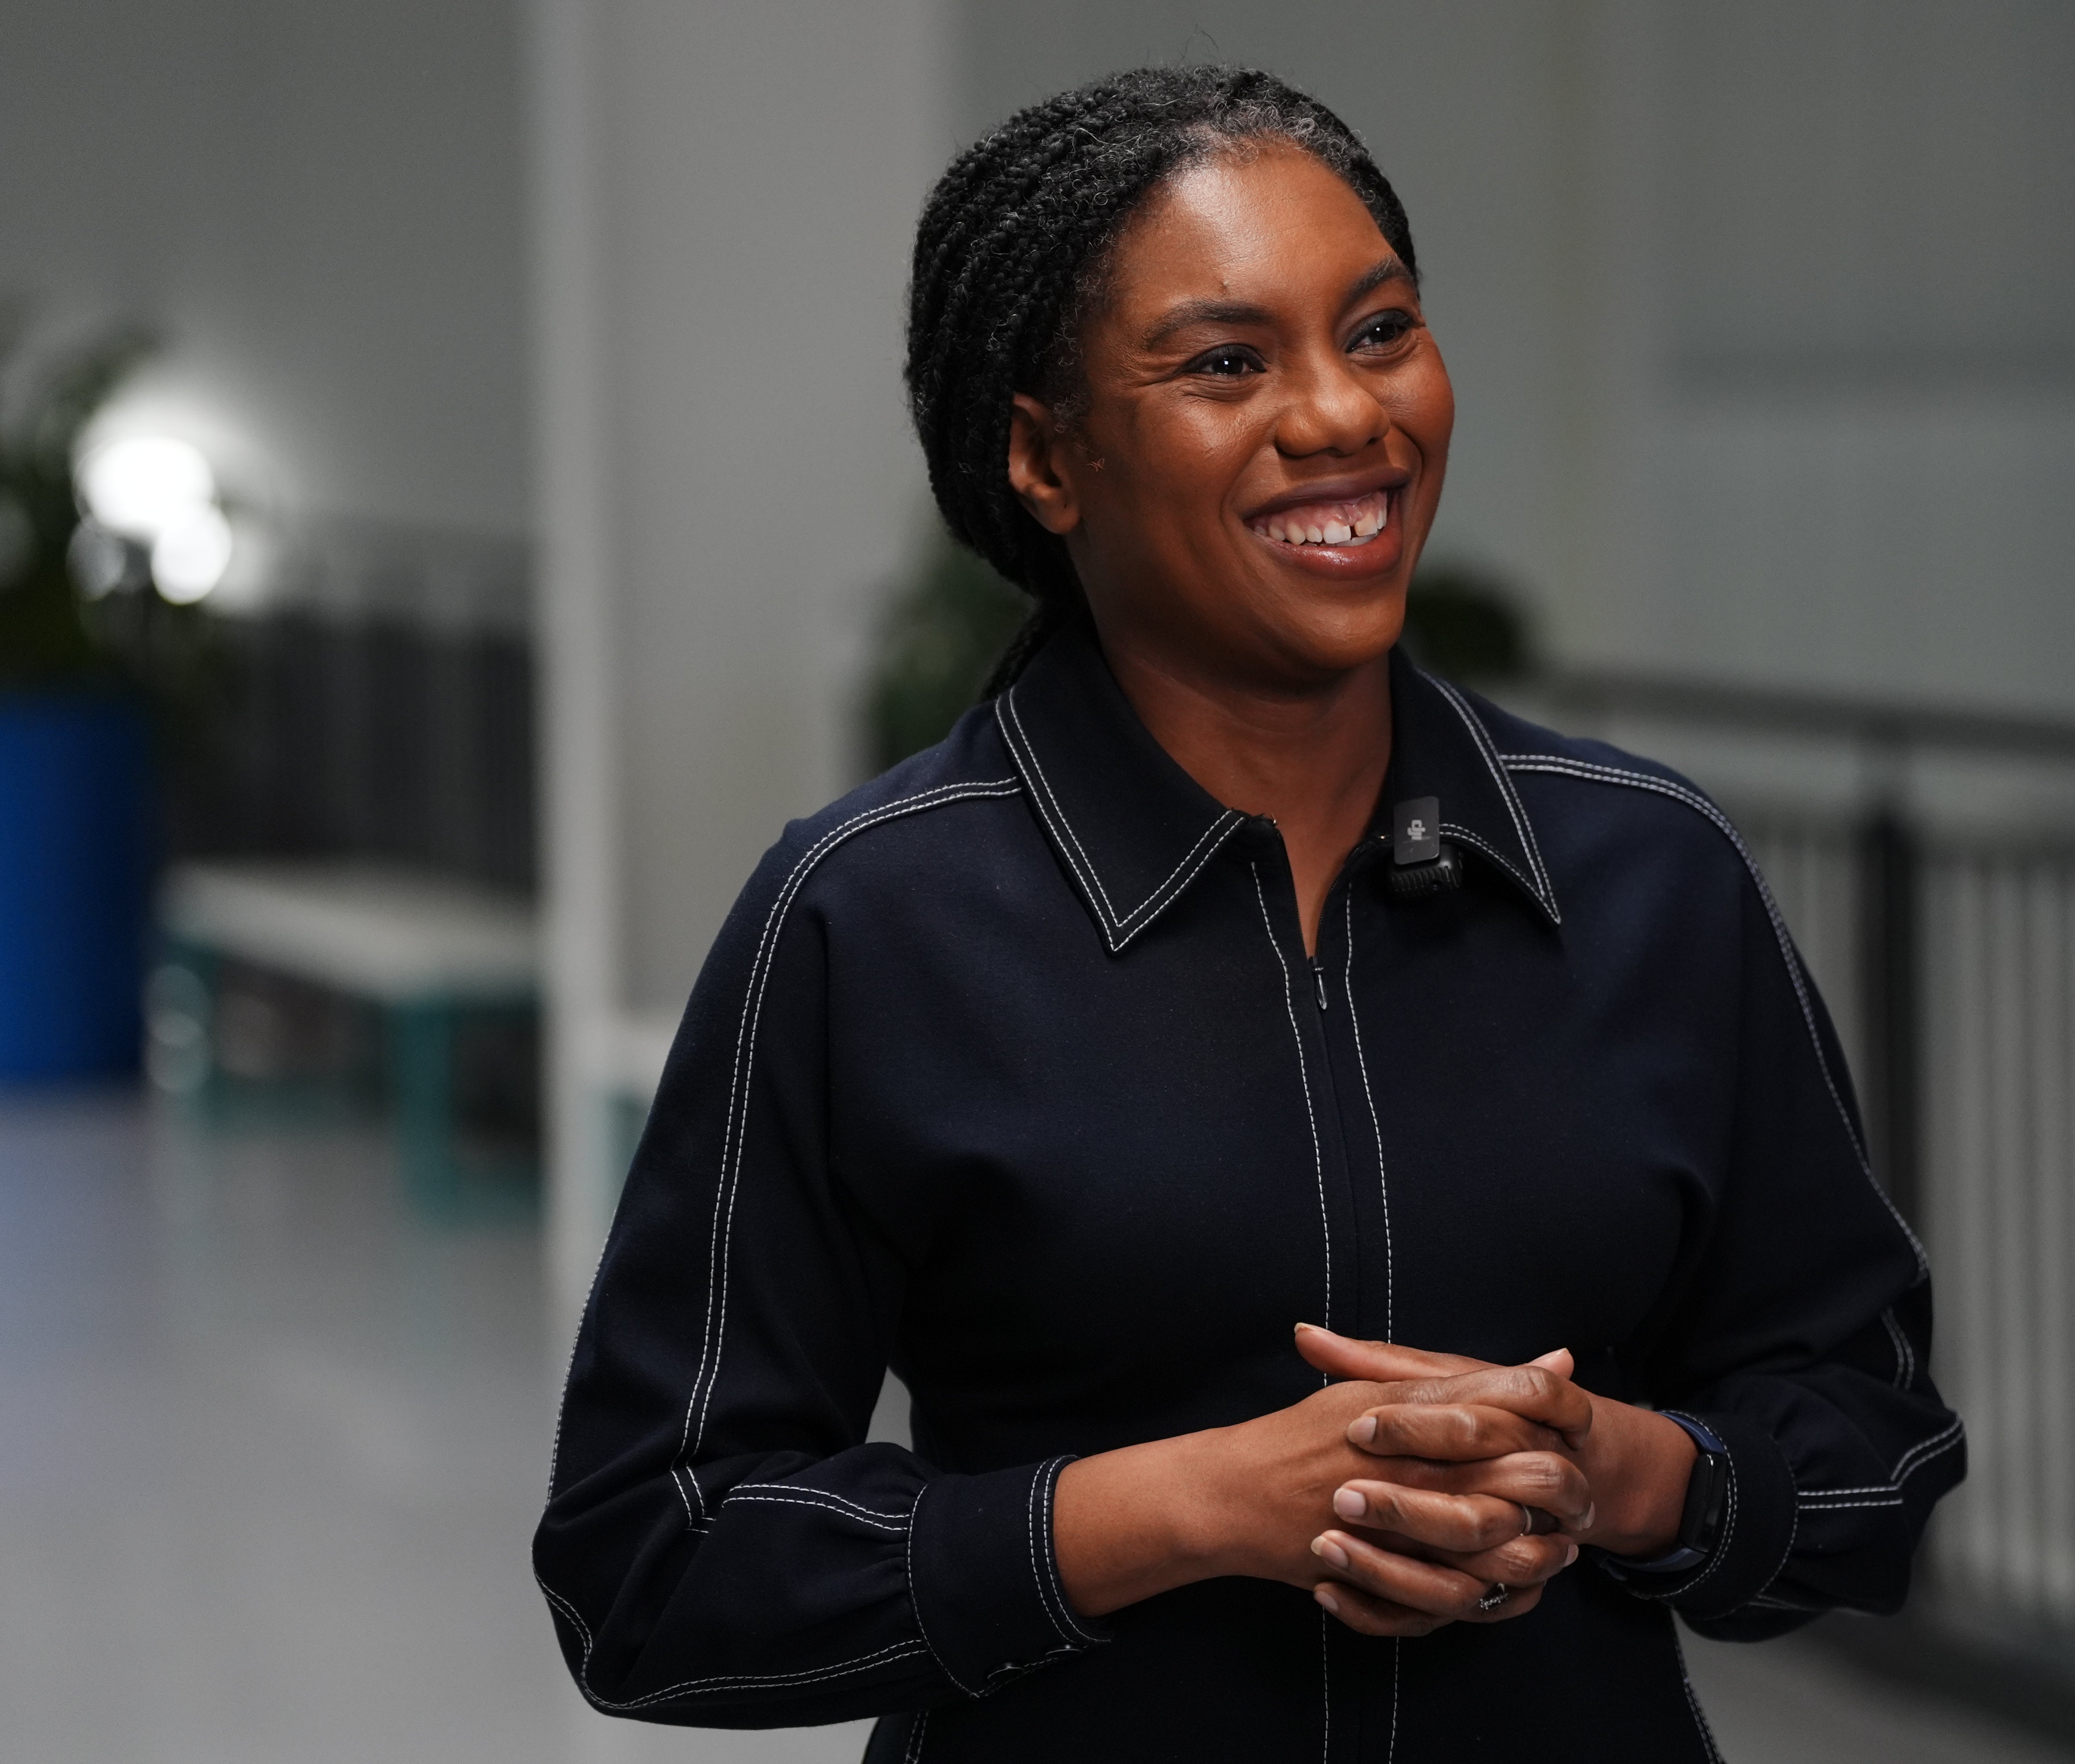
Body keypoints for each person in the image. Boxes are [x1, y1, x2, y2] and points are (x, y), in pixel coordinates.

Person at [534, 66, 1962, 1762]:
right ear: (1043, 456)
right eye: (1229, 362)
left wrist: (1622, 1473)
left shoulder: (1650, 873)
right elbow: (654, 1562)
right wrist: (1185, 1510)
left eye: (1378, 333)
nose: (1344, 417)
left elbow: (1873, 1448)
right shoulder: (873, 919)